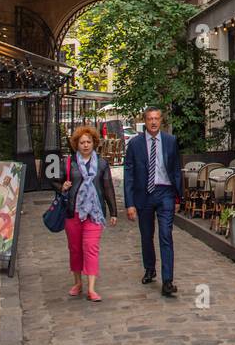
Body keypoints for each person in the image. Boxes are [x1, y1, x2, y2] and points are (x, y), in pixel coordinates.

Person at [123, 107, 183, 298]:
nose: (154, 122)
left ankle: (167, 281)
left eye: (157, 118)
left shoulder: (170, 141)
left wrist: (177, 197)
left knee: (166, 235)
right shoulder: (135, 144)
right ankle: (150, 268)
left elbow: (175, 170)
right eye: (150, 119)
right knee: (146, 235)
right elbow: (129, 174)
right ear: (145, 121)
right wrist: (129, 203)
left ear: (161, 120)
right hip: (144, 195)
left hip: (165, 192)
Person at [62, 124, 118, 302]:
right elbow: (54, 181)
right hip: (74, 212)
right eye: (81, 142)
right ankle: (78, 283)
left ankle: (91, 288)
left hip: (94, 213)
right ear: (76, 144)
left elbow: (108, 187)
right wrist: (62, 186)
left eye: (88, 142)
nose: (85, 145)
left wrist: (113, 211)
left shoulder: (101, 164)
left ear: (94, 143)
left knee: (91, 248)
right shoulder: (69, 163)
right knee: (76, 249)